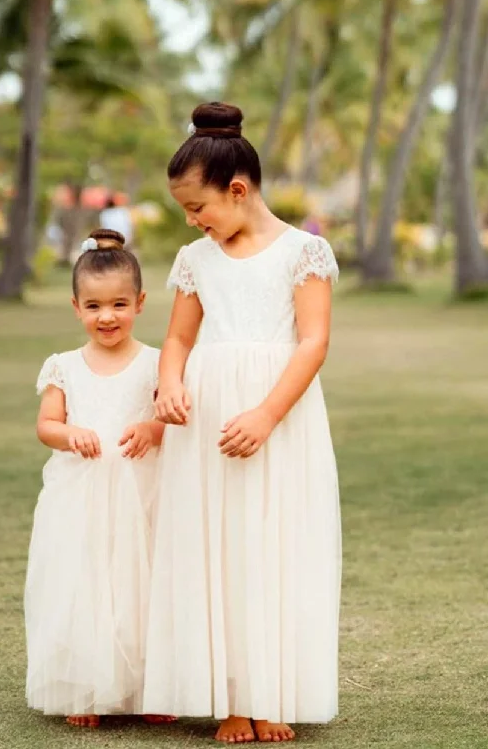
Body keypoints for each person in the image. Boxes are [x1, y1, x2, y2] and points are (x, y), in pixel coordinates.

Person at [143, 103, 341, 743]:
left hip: (275, 417)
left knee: (274, 548)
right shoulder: (196, 259)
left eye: (198, 208)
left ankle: (272, 692)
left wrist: (265, 414)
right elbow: (177, 338)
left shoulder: (304, 252)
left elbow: (312, 343)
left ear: (238, 189)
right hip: (207, 423)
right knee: (217, 550)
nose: (194, 222)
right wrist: (170, 383)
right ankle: (229, 698)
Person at [25, 228, 172, 728]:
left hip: (141, 493)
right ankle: (85, 689)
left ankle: (152, 688)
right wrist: (70, 434)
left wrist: (152, 428)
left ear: (139, 302)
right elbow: (47, 425)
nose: (106, 317)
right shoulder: (64, 366)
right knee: (85, 584)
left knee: (142, 587)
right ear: (75, 307)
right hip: (82, 497)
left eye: (118, 304)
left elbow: (173, 423)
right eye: (93, 306)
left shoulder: (156, 364)